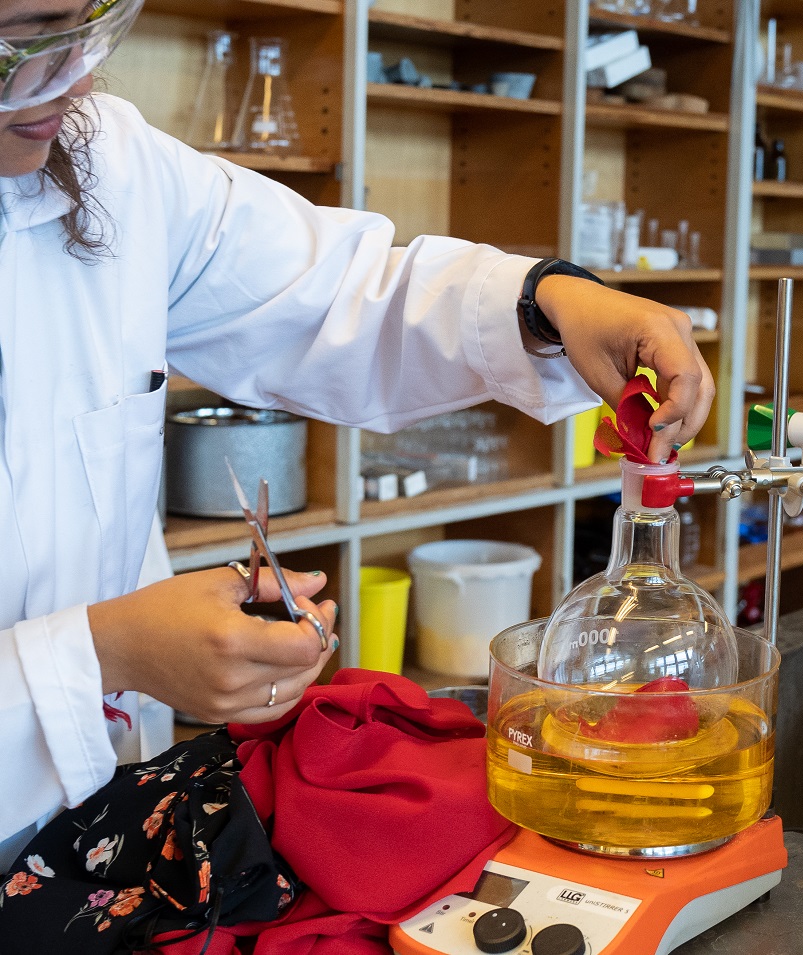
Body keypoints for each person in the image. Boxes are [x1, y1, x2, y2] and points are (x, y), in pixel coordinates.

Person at [0, 0, 715, 869]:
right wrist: (97, 654)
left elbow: (338, 295)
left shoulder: (103, 162)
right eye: (25, 38)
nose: (74, 73)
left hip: (104, 837)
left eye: (93, 24)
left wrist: (551, 303)